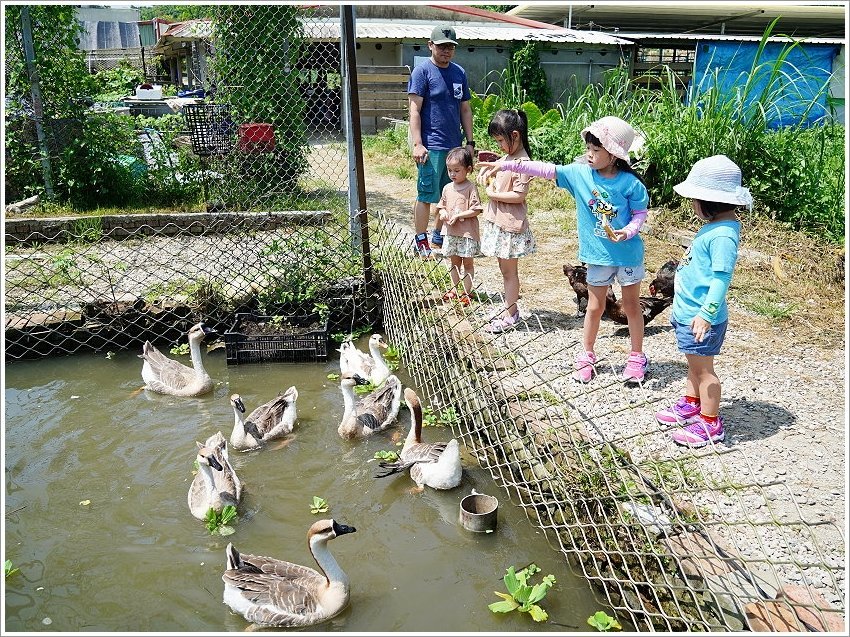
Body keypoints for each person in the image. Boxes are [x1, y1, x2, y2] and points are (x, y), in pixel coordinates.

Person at [478, 116, 650, 380]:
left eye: (596, 150)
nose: (589, 154)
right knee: (595, 306)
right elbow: (545, 169)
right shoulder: (580, 174)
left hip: (628, 255)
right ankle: (587, 354)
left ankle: (637, 356)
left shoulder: (630, 184)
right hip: (598, 256)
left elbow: (640, 213)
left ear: (614, 154)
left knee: (631, 306)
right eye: (588, 148)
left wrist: (628, 231)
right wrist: (505, 164)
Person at [656, 155, 751, 448]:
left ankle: (710, 422)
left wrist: (707, 313)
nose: (693, 205)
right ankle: (691, 402)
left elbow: (721, 278)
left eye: (695, 200)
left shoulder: (723, 235)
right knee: (694, 364)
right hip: (689, 313)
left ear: (710, 201)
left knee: (704, 370)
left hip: (700, 318)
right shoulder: (716, 226)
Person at [408, 25, 475, 258]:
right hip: (431, 146)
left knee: (450, 194)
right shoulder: (422, 72)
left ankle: (439, 235)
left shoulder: (459, 73)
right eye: (441, 46)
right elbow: (414, 110)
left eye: (450, 47)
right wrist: (418, 143)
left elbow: (465, 109)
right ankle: (420, 241)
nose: (446, 50)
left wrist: (470, 142)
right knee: (426, 194)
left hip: (455, 147)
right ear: (430, 45)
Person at [476, 109, 535, 333]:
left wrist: (494, 195)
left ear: (515, 136)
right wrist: (488, 171)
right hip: (499, 222)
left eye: (501, 140)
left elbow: (519, 195)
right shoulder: (508, 158)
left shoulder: (523, 163)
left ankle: (511, 314)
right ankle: (508, 308)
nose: (499, 145)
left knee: (510, 272)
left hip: (509, 225)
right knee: (504, 270)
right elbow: (498, 166)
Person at [436, 146, 483, 305]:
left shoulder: (470, 188)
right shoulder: (447, 188)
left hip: (467, 234)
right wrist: (443, 212)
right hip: (451, 232)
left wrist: (459, 215)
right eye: (449, 170)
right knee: (454, 263)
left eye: (457, 170)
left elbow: (476, 209)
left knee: (468, 263)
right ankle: (454, 289)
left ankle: (467, 292)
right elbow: (441, 206)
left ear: (468, 169)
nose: (452, 174)